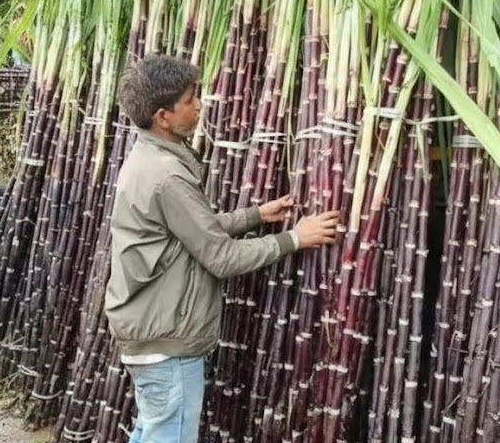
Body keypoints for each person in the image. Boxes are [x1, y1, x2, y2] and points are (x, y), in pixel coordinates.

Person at [104, 55, 340, 443]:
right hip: (166, 343)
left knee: (152, 430)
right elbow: (221, 257)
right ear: (163, 116)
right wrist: (295, 238)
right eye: (190, 99)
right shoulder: (166, 177)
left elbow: (191, 233)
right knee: (169, 435)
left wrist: (256, 215)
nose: (199, 106)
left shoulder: (149, 160)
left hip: (148, 330)